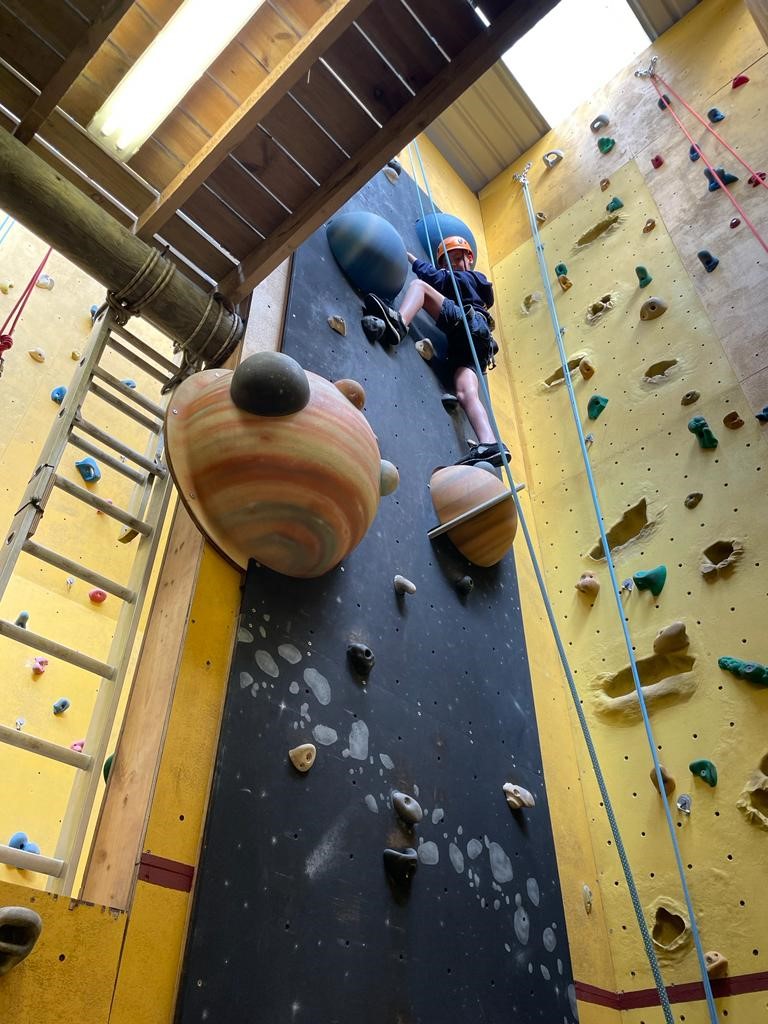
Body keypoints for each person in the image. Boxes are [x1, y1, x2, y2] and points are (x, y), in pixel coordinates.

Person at [364, 236, 509, 467]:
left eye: (456, 258)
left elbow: (438, 279)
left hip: (468, 322)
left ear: (469, 258)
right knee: (466, 392)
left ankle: (400, 323)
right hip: (477, 345)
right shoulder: (475, 289)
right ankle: (489, 444)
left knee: (420, 287)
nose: (452, 265)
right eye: (447, 262)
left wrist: (411, 259)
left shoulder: (473, 278)